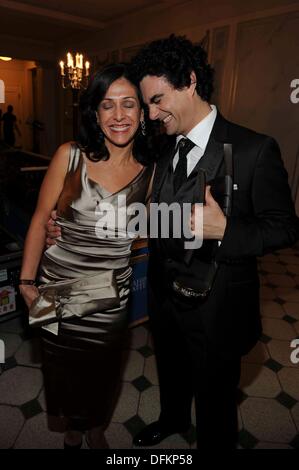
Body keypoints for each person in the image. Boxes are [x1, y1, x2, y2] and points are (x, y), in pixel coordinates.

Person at [129, 35, 299, 449]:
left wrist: (227, 231)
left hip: (217, 305)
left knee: (215, 396)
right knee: (170, 369)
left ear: (189, 81)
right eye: (147, 104)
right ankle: (171, 418)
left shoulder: (254, 149)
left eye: (157, 100)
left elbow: (285, 227)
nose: (151, 114)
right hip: (164, 297)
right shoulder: (163, 147)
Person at [19, 63, 154, 449]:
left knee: (105, 371)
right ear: (95, 113)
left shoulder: (152, 170)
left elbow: (154, 229)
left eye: (128, 104)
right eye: (107, 105)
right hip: (58, 288)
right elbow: (39, 218)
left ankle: (95, 425)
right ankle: (74, 428)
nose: (118, 115)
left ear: (142, 113)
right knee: (60, 370)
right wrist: (27, 281)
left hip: (110, 296)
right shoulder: (70, 155)